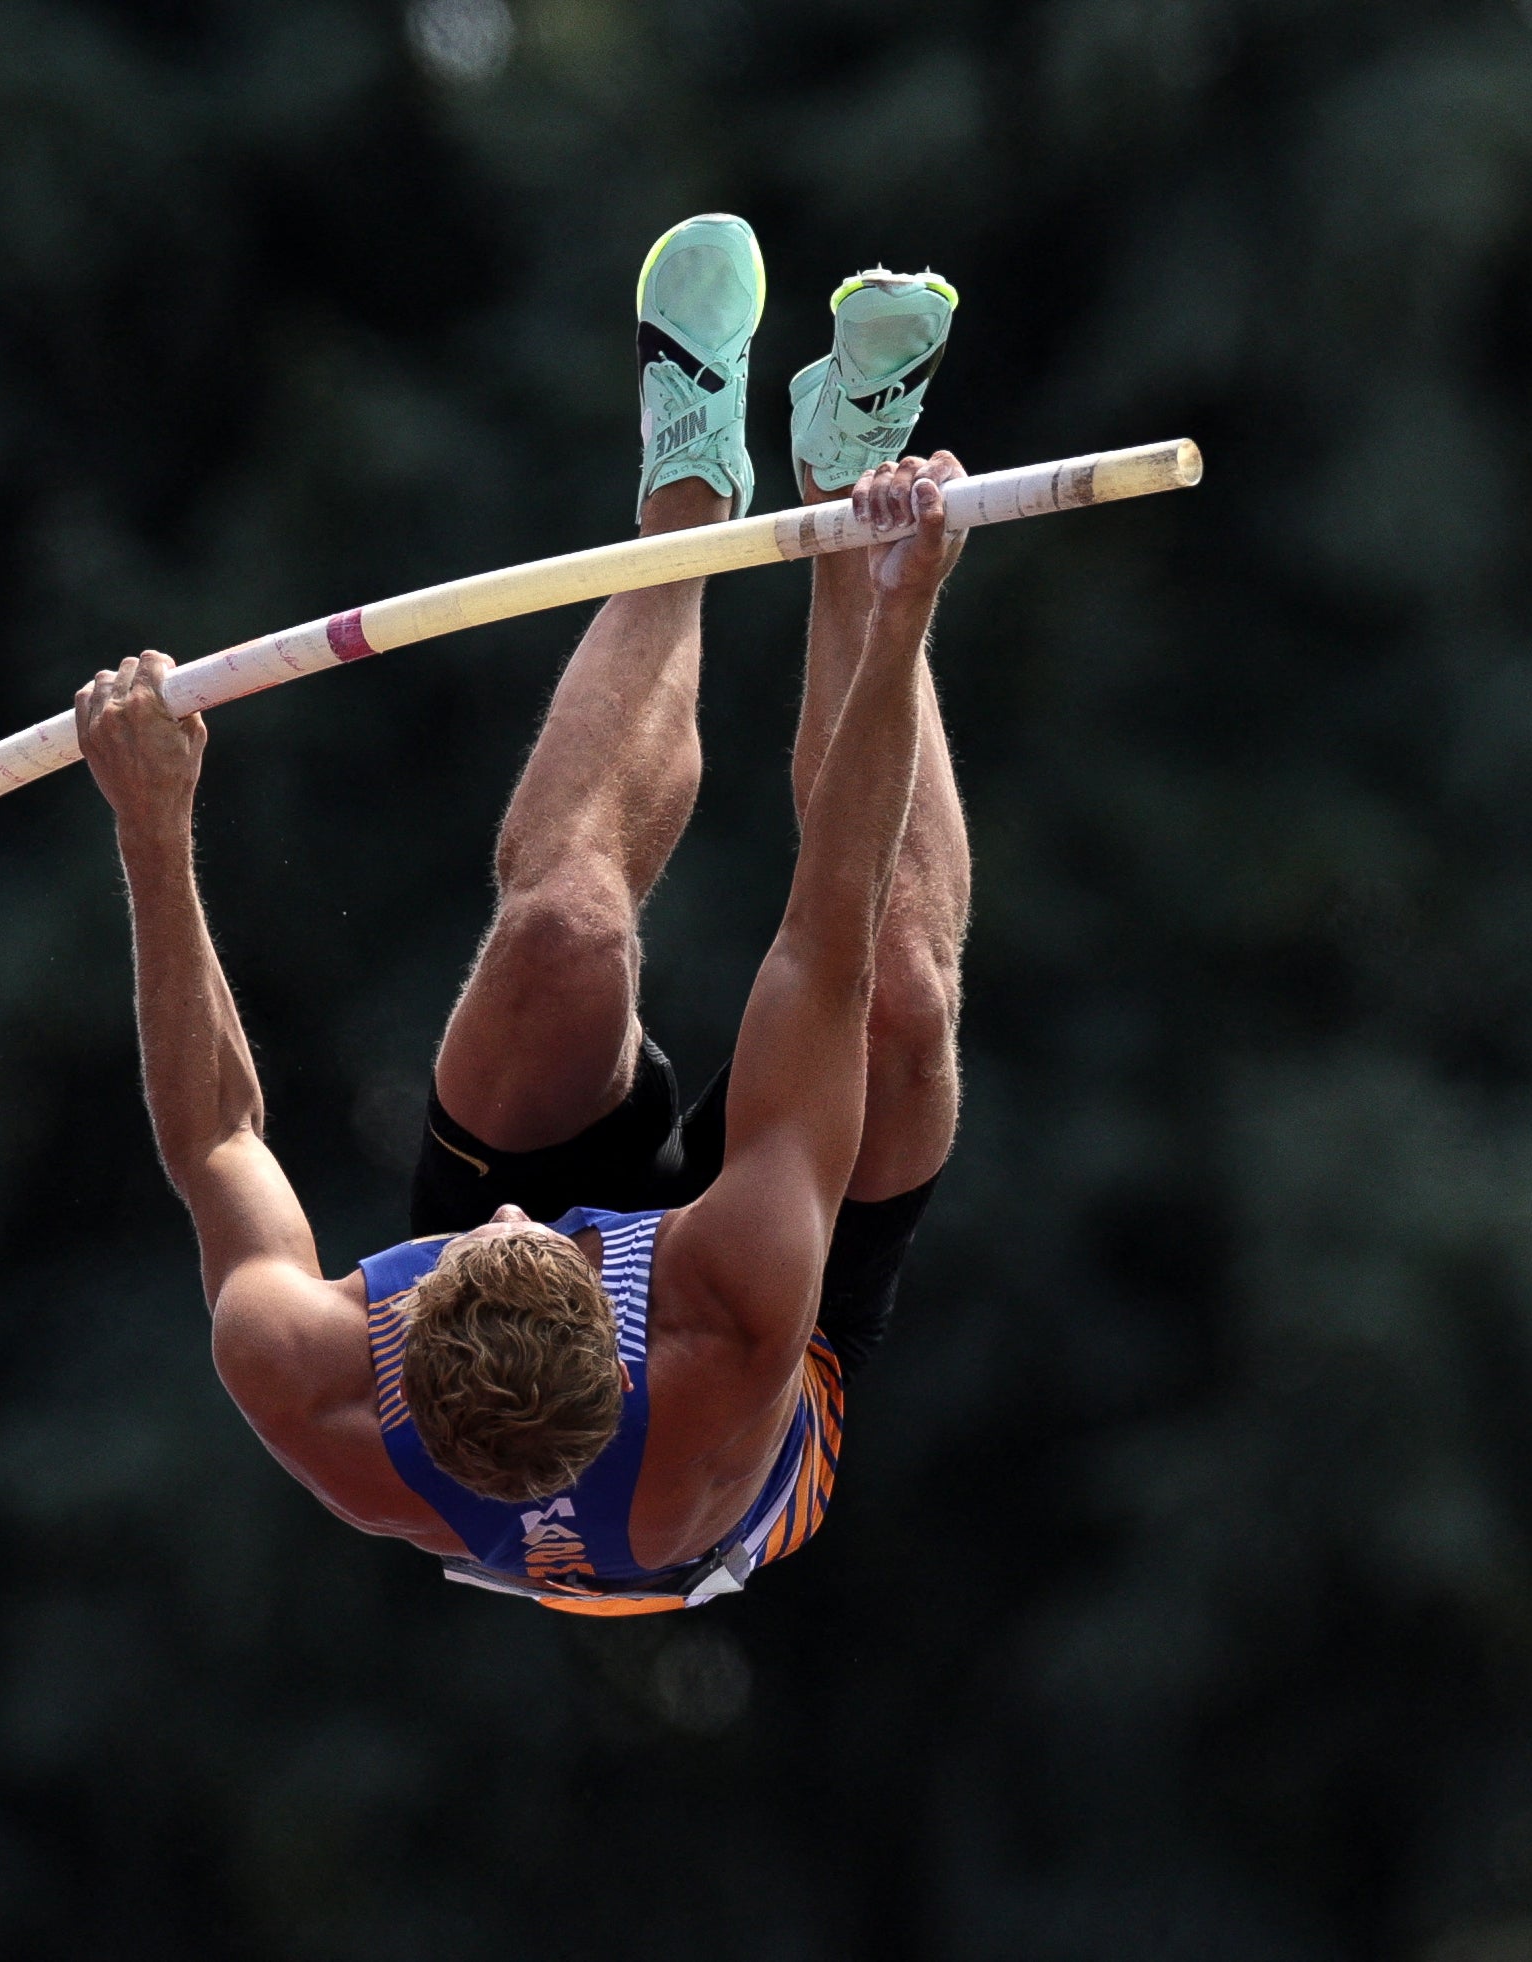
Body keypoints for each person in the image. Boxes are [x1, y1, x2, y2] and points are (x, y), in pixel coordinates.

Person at [73, 215, 969, 1613]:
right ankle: (851, 478)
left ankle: (687, 485)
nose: (507, 1208)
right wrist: (899, 608)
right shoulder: (733, 1315)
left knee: (560, 936)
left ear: (403, 1339)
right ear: (620, 1309)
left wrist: (152, 826)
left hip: (541, 1402)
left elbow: (213, 1136)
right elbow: (824, 930)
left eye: (466, 1235)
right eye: (540, 1230)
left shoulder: (311, 1380)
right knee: (903, 1002)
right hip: (742, 1452)